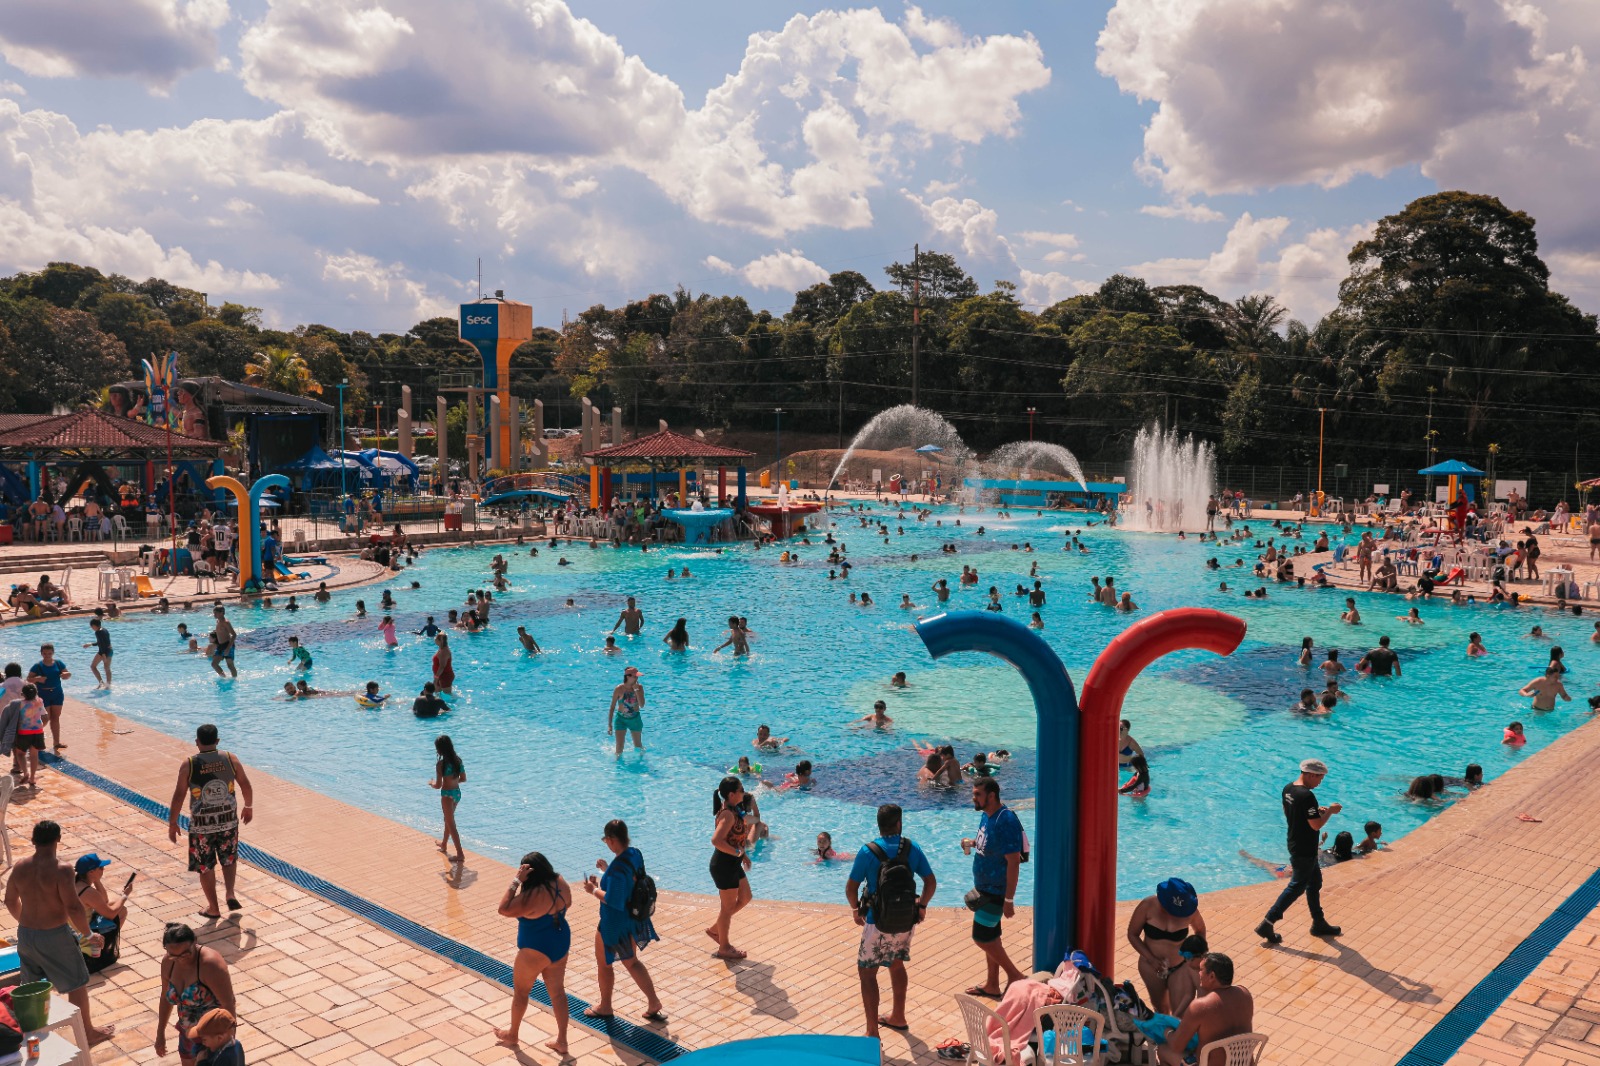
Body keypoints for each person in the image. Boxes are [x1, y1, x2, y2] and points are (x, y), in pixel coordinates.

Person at [4, 821, 114, 1045]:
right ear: (58, 840)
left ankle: (33, 1037)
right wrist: (88, 934)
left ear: (33, 841)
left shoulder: (20, 867)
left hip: (26, 935)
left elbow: (9, 901)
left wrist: (26, 923)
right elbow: (74, 907)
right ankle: (88, 1034)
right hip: (54, 935)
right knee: (77, 984)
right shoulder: (62, 869)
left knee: (31, 988)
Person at [845, 803, 937, 1037]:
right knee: (896, 964)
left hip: (877, 921)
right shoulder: (911, 848)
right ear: (899, 823)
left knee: (867, 972)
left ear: (879, 825)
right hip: (906, 920)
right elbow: (930, 881)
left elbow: (851, 887)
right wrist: (922, 906)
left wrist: (856, 910)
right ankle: (898, 1016)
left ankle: (872, 1032)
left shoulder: (868, 851)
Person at [581, 819, 665, 1023]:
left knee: (604, 964)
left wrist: (593, 890)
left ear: (611, 840)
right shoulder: (635, 854)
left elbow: (613, 899)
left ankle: (605, 1006)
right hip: (633, 919)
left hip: (614, 923)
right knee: (632, 962)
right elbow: (629, 882)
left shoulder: (618, 867)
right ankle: (653, 1002)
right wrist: (607, 870)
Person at [167, 724, 254, 919]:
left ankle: (213, 908)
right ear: (217, 741)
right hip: (228, 821)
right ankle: (230, 892)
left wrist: (173, 822)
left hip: (202, 826)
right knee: (229, 858)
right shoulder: (230, 759)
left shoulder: (189, 764)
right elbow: (245, 785)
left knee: (205, 867)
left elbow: (179, 795)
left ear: (197, 742)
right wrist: (248, 807)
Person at [1255, 757, 1342, 943]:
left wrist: (1315, 810)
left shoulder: (1288, 789)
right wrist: (1329, 812)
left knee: (1315, 882)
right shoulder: (1307, 796)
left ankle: (1318, 922)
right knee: (1296, 887)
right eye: (1320, 778)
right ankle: (1268, 922)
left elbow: (1293, 812)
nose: (1320, 782)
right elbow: (1316, 825)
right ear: (1311, 775)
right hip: (1304, 847)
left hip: (1295, 841)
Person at [495, 853, 572, 1052]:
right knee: (557, 993)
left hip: (534, 949)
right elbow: (568, 903)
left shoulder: (529, 898)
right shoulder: (560, 882)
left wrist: (515, 881)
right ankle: (562, 1041)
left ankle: (513, 1035)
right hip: (560, 942)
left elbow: (503, 909)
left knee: (521, 993)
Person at [961, 777, 1025, 997]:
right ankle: (992, 985)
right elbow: (990, 844)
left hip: (995, 891)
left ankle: (1015, 975)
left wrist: (1008, 899)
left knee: (982, 937)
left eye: (978, 794)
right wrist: (972, 842)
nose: (973, 797)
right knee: (992, 938)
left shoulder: (1004, 820)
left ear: (991, 796)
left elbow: (1014, 861)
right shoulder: (987, 816)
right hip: (984, 888)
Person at [155, 922, 236, 1066]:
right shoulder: (168, 962)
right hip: (187, 1033)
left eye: (185, 954)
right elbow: (165, 998)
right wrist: (160, 1033)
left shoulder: (209, 964)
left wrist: (228, 1044)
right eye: (174, 955)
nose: (180, 959)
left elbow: (228, 1003)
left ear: (195, 942)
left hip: (213, 1037)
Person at [1157, 953, 1253, 1066]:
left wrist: (1167, 1031)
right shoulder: (1244, 993)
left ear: (1212, 976)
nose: (1199, 973)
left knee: (1163, 1050)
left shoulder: (1200, 1006)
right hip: (1243, 1063)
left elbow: (1177, 1046)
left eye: (1201, 970)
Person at [1128, 878, 1206, 1015]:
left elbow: (1200, 930)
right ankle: (1166, 1035)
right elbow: (1132, 934)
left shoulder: (1190, 912)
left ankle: (1177, 1036)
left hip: (1179, 966)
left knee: (1181, 1012)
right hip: (1151, 966)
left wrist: (1196, 953)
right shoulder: (1147, 906)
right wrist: (1151, 959)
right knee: (1161, 1008)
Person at [708, 776, 754, 960]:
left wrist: (743, 855)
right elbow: (716, 840)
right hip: (724, 865)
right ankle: (724, 947)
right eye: (741, 790)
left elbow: (733, 838)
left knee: (745, 897)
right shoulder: (727, 814)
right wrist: (736, 853)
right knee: (727, 908)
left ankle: (715, 929)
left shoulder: (734, 810)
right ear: (732, 794)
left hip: (733, 862)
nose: (744, 792)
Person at [74, 853, 130, 973]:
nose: (103, 869)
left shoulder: (75, 883)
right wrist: (125, 895)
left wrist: (96, 880)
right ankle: (103, 947)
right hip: (82, 940)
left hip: (71, 932)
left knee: (114, 905)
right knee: (120, 911)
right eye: (100, 868)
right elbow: (111, 914)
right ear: (90, 872)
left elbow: (104, 901)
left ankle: (103, 944)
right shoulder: (88, 892)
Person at [26, 643, 69, 750]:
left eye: (49, 653)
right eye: (45, 653)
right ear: (41, 653)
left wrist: (66, 675)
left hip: (57, 694)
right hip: (43, 695)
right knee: (45, 719)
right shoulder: (38, 666)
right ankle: (33, 739)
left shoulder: (58, 663)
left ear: (53, 653)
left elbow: (67, 673)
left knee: (55, 718)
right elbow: (28, 679)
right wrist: (37, 679)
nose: (47, 655)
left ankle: (56, 743)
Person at [431, 735, 466, 863]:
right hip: (457, 793)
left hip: (446, 796)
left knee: (451, 824)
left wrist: (431, 783)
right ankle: (444, 844)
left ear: (439, 750)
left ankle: (460, 854)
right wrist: (453, 781)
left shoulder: (440, 765)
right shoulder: (458, 761)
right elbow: (463, 778)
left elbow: (438, 785)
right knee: (448, 820)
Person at [12, 683, 46, 788]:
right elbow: (45, 716)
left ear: (23, 694)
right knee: (34, 755)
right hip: (38, 732)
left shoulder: (20, 704)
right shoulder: (39, 702)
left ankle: (25, 772)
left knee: (20, 754)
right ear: (36, 693)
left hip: (24, 732)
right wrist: (41, 727)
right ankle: (32, 778)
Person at [608, 667, 646, 756]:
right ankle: (617, 765)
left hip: (635, 719)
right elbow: (612, 707)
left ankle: (641, 763)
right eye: (635, 676)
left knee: (638, 746)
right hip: (620, 720)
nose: (637, 678)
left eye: (637, 676)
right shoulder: (619, 689)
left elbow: (642, 705)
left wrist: (636, 690)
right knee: (619, 748)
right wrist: (609, 725)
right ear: (628, 677)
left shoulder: (639, 687)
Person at [83, 618, 113, 688]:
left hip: (105, 652)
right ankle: (104, 684)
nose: (91, 628)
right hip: (108, 650)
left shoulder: (98, 632)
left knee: (103, 667)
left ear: (94, 625)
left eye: (91, 626)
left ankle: (105, 685)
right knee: (96, 667)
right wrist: (90, 644)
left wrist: (103, 655)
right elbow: (101, 643)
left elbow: (102, 644)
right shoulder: (104, 629)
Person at [209, 606, 238, 679]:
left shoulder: (226, 623)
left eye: (216, 613)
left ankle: (234, 679)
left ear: (222, 613)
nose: (214, 615)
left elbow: (234, 635)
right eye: (214, 613)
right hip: (221, 646)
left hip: (228, 645)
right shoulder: (218, 621)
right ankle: (223, 678)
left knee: (230, 665)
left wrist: (228, 648)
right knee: (214, 664)